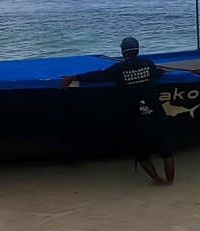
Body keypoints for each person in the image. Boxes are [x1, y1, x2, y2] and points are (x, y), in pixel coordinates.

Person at [59, 36, 174, 185]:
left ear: (123, 52)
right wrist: (162, 71)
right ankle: (170, 183)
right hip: (158, 115)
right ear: (138, 50)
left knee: (142, 156)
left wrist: (73, 77)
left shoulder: (118, 69)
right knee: (167, 153)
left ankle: (158, 180)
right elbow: (157, 73)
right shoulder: (147, 63)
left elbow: (97, 76)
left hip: (140, 120)